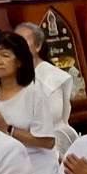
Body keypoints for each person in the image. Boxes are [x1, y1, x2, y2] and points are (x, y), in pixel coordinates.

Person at [0, 31, 59, 174]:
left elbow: (47, 142)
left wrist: (7, 129)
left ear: (20, 61)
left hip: (35, 172)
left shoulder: (34, 94)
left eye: (5, 55)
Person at [14, 21, 76, 149]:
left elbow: (55, 117)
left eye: (23, 41)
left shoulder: (52, 77)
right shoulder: (11, 75)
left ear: (38, 46)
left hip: (48, 146)